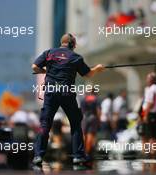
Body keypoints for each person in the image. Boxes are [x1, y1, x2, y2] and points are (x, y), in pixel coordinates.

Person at [31, 33, 105, 165]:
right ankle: (78, 156)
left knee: (45, 124)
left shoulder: (49, 53)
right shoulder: (75, 57)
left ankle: (38, 156)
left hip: (51, 92)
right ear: (72, 44)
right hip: (67, 93)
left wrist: (46, 72)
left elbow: (35, 67)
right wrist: (98, 69)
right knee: (75, 123)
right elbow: (88, 74)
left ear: (61, 43)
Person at [81, 91, 100, 155]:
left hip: (84, 118)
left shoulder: (84, 99)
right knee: (90, 135)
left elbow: (81, 110)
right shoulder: (95, 99)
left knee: (83, 135)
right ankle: (87, 153)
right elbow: (98, 111)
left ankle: (81, 151)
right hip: (93, 118)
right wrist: (98, 120)